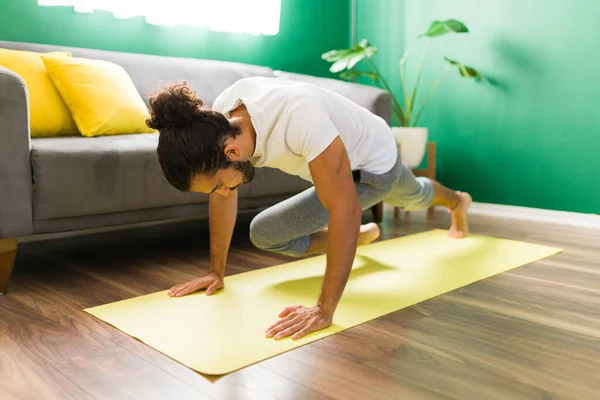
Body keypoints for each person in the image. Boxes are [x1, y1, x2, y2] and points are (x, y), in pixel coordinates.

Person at [145, 77, 472, 341]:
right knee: (265, 232)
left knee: (413, 195)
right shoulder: (221, 123)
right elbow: (223, 196)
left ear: (232, 151)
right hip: (343, 166)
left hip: (374, 165)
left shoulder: (299, 115)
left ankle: (457, 201)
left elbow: (346, 209)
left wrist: (323, 309)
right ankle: (351, 239)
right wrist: (216, 271)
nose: (223, 192)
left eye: (219, 184)